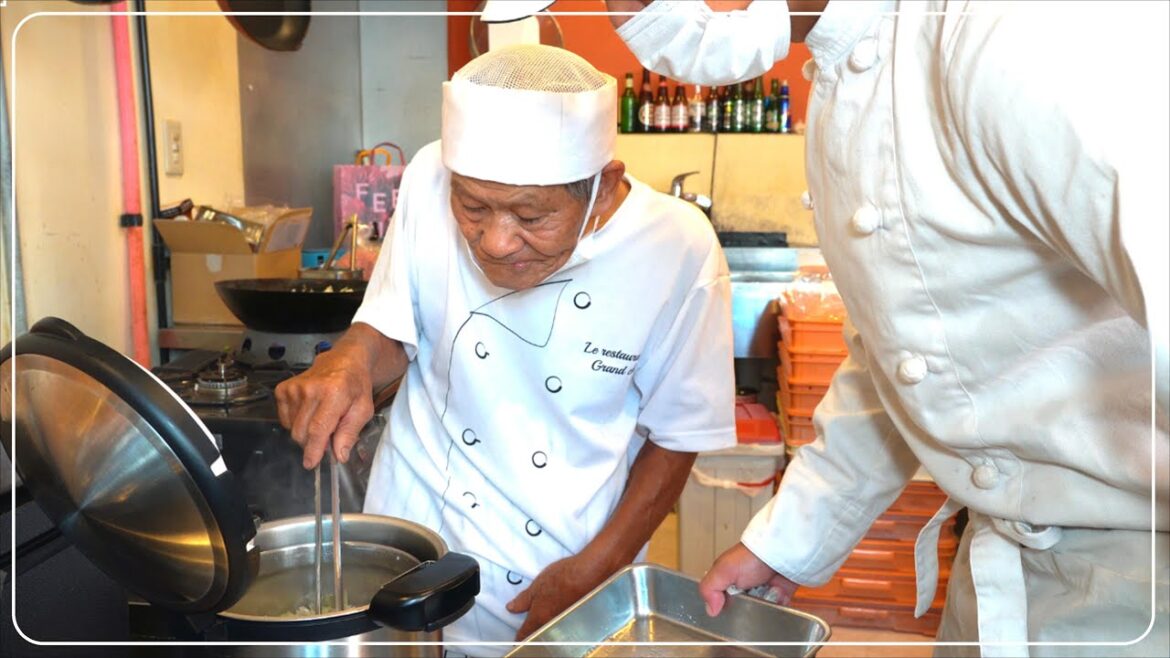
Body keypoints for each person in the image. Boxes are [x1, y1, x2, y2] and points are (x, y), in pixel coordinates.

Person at [605, 1, 1169, 657]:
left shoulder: (1019, 29)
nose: (631, 16)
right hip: (1011, 573)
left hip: (1137, 585)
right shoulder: (861, 63)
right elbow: (912, 351)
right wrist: (787, 544)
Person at [274, 44, 736, 655]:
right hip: (408, 559)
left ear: (603, 189)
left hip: (564, 567)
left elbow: (678, 435)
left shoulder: (677, 248)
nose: (495, 241)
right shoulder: (428, 174)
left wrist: (599, 566)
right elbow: (389, 328)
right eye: (473, 207)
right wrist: (351, 359)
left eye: (531, 216)